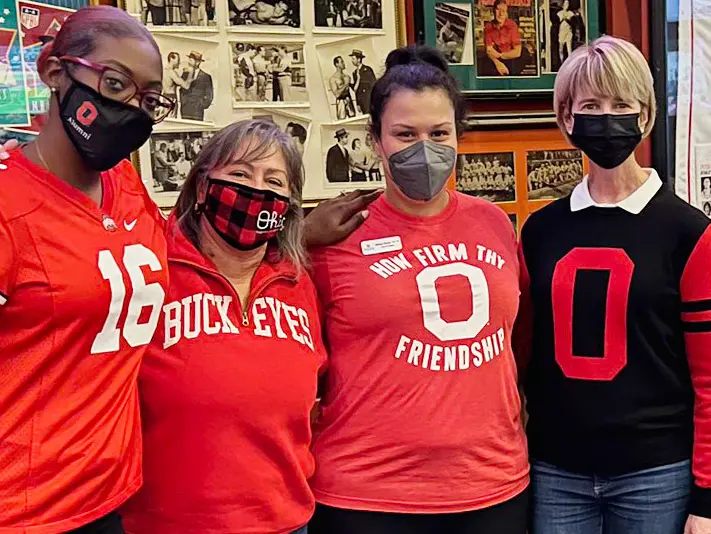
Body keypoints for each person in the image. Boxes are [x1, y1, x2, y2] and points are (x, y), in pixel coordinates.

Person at [308, 44, 528, 534]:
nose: (423, 149)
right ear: (375, 139)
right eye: (405, 134)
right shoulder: (337, 232)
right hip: (366, 495)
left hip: (490, 486)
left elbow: (521, 341)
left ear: (459, 136)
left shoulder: (493, 223)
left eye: (439, 133)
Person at [517, 36, 711, 534]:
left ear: (645, 116)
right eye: (590, 106)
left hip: (657, 474)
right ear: (566, 119)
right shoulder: (540, 231)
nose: (607, 118)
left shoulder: (689, 233)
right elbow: (523, 356)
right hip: (556, 470)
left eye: (621, 104)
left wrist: (708, 498)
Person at [0, 6, 175, 532]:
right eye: (116, 84)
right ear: (55, 71)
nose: (131, 110)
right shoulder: (7, 206)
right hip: (23, 508)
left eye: (149, 100)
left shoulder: (128, 186)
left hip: (108, 495)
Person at [118, 119, 327, 534]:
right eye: (239, 174)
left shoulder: (299, 282)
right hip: (167, 525)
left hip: (285, 523)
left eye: (274, 180)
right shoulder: (152, 270)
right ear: (201, 188)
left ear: (288, 205)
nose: (257, 190)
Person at [481, 0, 522, 77]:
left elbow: (517, 52)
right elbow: (489, 50)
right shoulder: (488, 27)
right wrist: (497, 63)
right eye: (498, 10)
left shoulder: (512, 26)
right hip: (495, 60)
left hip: (512, 59)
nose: (500, 14)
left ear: (506, 13)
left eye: (503, 11)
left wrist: (500, 55)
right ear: (493, 11)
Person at [180, 51, 213, 121]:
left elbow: (209, 95)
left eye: (191, 60)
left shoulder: (206, 77)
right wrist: (183, 102)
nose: (189, 62)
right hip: (185, 108)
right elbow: (181, 90)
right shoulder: (185, 74)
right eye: (189, 59)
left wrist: (201, 105)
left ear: (198, 62)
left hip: (197, 110)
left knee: (196, 131)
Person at [163, 51, 190, 118]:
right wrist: (189, 74)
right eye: (178, 60)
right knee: (171, 120)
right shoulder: (171, 72)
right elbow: (186, 86)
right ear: (172, 59)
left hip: (165, 98)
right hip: (171, 99)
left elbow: (174, 83)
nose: (179, 62)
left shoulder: (164, 71)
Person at [350, 49, 376, 115]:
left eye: (353, 59)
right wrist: (358, 103)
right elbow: (357, 90)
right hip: (361, 101)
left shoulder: (367, 70)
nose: (352, 61)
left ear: (358, 59)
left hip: (368, 99)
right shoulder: (355, 73)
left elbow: (373, 85)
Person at [330, 55, 356, 120]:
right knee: (342, 120)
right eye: (342, 62)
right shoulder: (333, 79)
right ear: (337, 64)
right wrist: (345, 84)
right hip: (340, 102)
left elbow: (354, 88)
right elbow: (336, 94)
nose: (344, 63)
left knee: (353, 119)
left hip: (349, 100)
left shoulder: (347, 76)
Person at [557, 0, 574, 64]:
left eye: (568, 4)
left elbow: (572, 22)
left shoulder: (570, 13)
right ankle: (561, 62)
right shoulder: (559, 13)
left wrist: (566, 18)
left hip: (568, 32)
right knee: (560, 49)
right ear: (563, 5)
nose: (567, 5)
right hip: (561, 33)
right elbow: (558, 21)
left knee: (569, 49)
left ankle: (570, 64)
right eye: (566, 4)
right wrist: (563, 18)